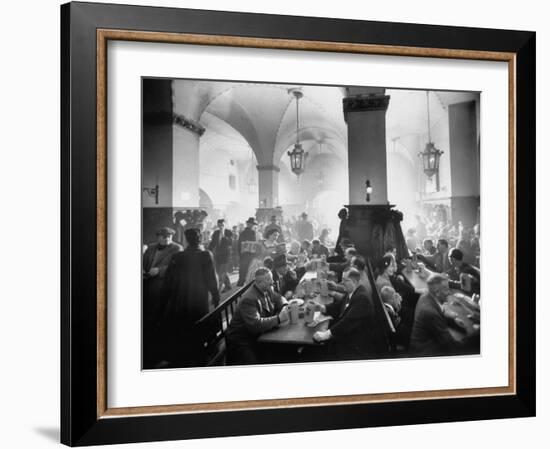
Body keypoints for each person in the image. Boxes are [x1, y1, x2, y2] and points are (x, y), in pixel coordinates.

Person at [158, 228, 220, 367]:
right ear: (199, 239)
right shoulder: (206, 255)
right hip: (199, 298)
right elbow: (212, 280)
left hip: (180, 298)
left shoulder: (178, 257)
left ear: (186, 240)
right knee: (199, 323)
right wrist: (216, 297)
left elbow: (168, 281)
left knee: (183, 325)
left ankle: (183, 356)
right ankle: (199, 356)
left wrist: (163, 301)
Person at [311, 268, 387, 360]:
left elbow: (348, 321)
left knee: (317, 351)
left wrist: (326, 334)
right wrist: (322, 307)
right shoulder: (353, 291)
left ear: (354, 282)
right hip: (350, 332)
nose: (342, 282)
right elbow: (338, 306)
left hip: (356, 344)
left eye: (345, 280)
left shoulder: (362, 299)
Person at [225, 268, 290, 365]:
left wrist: (285, 306)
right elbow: (255, 324)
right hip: (241, 340)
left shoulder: (266, 289)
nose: (272, 282)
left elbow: (278, 298)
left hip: (257, 335)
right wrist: (279, 318)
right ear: (258, 282)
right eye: (268, 279)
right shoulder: (249, 299)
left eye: (271, 279)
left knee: (282, 351)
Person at [142, 227, 183, 367]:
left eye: (169, 237)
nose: (166, 239)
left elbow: (176, 267)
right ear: (158, 237)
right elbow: (143, 260)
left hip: (164, 286)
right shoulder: (150, 248)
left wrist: (159, 270)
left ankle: (160, 348)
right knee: (148, 315)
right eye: (163, 237)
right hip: (147, 284)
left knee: (162, 317)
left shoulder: (177, 249)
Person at [409, 273, 478, 356]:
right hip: (425, 352)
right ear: (437, 292)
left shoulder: (426, 296)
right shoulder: (430, 313)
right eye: (446, 289)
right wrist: (477, 335)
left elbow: (438, 314)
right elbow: (453, 348)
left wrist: (453, 322)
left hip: (422, 344)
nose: (449, 292)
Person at [237, 217, 258, 286]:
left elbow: (239, 245)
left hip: (245, 255)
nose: (251, 225)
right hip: (247, 255)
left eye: (252, 224)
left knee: (244, 271)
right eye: (250, 224)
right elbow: (240, 244)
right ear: (248, 224)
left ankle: (241, 285)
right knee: (246, 271)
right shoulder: (250, 232)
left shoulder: (244, 232)